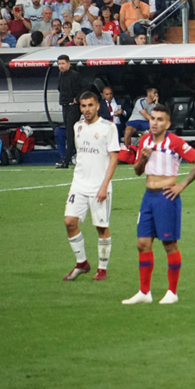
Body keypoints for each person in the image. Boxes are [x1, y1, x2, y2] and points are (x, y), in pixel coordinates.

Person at [122, 104, 195, 306]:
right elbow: (137, 171)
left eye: (160, 119)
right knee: (142, 244)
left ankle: (172, 291)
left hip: (166, 198)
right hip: (148, 197)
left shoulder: (174, 142)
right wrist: (142, 159)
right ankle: (144, 292)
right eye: (153, 118)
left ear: (167, 124)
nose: (155, 122)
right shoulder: (144, 141)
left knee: (169, 244)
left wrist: (181, 185)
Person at [62, 91, 120, 282]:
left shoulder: (108, 127)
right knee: (70, 222)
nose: (87, 109)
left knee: (101, 227)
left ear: (97, 106)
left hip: (98, 186)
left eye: (90, 105)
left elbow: (113, 159)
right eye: (83, 106)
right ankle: (82, 263)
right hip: (78, 184)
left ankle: (102, 269)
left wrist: (104, 186)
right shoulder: (77, 126)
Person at [56, 55, 87, 169]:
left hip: (73, 107)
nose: (61, 66)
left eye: (63, 63)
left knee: (70, 134)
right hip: (64, 106)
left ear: (68, 64)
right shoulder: (60, 75)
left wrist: (78, 98)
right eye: (59, 64)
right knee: (69, 133)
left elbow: (86, 86)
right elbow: (59, 88)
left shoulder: (75, 75)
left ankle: (67, 160)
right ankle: (67, 158)